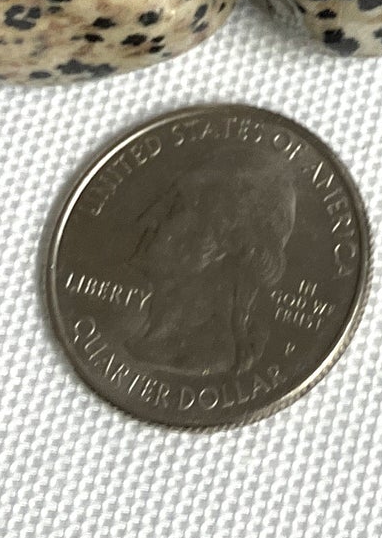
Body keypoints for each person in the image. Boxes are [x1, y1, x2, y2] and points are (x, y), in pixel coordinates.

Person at [113, 143, 298, 381]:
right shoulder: (144, 343)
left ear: (225, 244)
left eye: (176, 207)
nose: (149, 218)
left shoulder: (209, 356)